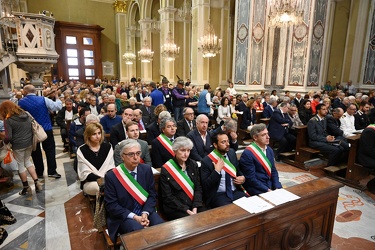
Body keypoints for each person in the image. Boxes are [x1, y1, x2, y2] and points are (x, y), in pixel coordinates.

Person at [104, 139, 164, 243]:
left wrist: (145, 213)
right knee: (137, 231)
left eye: (138, 153)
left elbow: (152, 195)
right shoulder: (112, 176)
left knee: (161, 226)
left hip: (145, 210)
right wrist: (135, 217)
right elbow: (111, 205)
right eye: (131, 154)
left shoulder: (146, 170)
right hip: (124, 215)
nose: (136, 158)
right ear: (122, 156)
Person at [18, 84, 62, 178]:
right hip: (46, 129)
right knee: (50, 150)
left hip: (31, 131)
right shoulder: (43, 99)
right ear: (35, 91)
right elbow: (57, 107)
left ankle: (39, 172)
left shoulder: (21, 102)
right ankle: (52, 171)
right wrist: (57, 97)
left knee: (35, 152)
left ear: (25, 92)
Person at [0, 101, 42, 195]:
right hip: (29, 143)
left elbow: (8, 137)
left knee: (20, 165)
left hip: (18, 145)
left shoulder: (9, 120)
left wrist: (3, 143)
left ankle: (26, 187)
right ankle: (37, 182)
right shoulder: (26, 114)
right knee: (28, 162)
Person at [160, 136, 204, 220]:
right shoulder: (167, 169)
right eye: (183, 150)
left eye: (188, 150)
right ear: (175, 151)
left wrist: (195, 207)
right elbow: (168, 196)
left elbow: (198, 188)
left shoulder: (193, 164)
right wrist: (187, 210)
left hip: (193, 204)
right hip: (177, 208)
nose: (186, 154)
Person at [201, 132, 246, 208]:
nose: (227, 144)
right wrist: (216, 171)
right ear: (215, 145)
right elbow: (206, 186)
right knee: (229, 212)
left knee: (249, 206)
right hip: (219, 195)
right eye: (223, 142)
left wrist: (242, 178)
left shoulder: (231, 153)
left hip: (235, 191)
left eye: (228, 141)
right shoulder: (207, 161)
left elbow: (238, 170)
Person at [239, 124, 282, 195]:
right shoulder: (248, 153)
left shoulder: (269, 150)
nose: (268, 137)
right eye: (263, 135)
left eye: (267, 134)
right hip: (257, 187)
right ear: (255, 137)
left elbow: (273, 171)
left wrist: (277, 186)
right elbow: (251, 179)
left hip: (270, 183)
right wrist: (267, 190)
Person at [77, 122, 115, 195]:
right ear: (88, 135)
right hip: (91, 182)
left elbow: (111, 167)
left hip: (108, 179)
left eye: (99, 133)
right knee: (99, 187)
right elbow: (85, 173)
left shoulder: (108, 147)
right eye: (94, 134)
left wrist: (106, 179)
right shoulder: (82, 150)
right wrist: (101, 179)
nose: (97, 136)